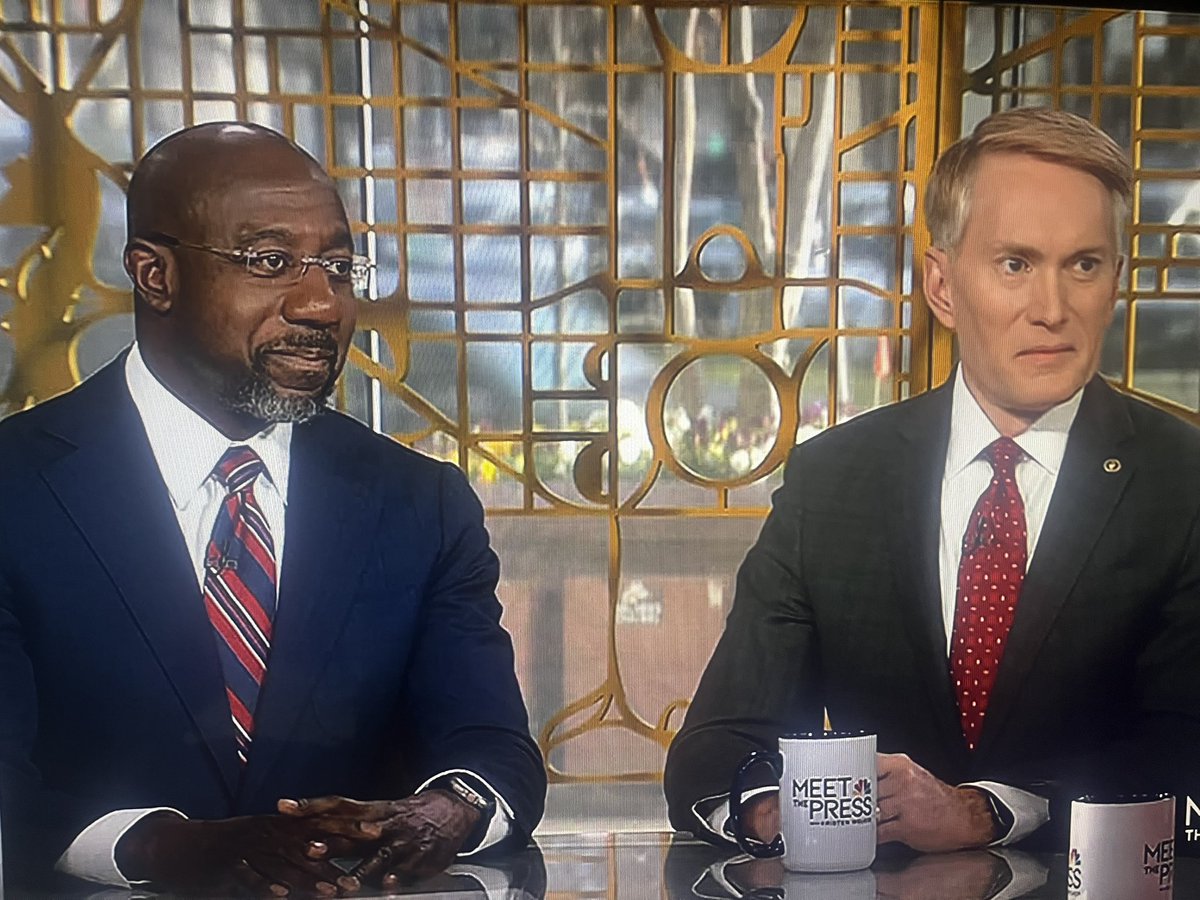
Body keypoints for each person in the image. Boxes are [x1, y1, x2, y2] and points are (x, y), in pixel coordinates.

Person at [0, 122, 546, 894]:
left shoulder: (418, 502)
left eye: (337, 265)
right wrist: (162, 847)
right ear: (155, 276)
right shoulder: (15, 489)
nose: (322, 304)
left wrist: (448, 809)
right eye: (270, 262)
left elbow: (492, 749)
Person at [664, 107, 1200, 856]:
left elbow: (1187, 758)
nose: (1052, 309)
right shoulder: (835, 479)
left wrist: (987, 812)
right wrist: (774, 813)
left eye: (1083, 264)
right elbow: (718, 746)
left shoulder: (1184, 482)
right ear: (943, 286)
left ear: (1116, 280)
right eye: (1016, 264)